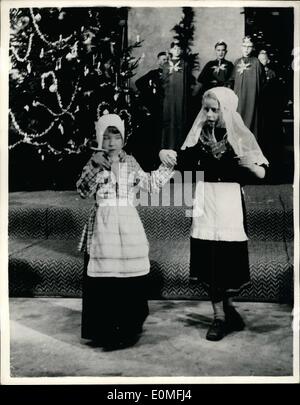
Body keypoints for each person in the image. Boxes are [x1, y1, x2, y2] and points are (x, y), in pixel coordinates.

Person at [160, 87, 268, 341]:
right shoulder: (198, 136)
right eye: (206, 109)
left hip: (229, 203)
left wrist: (250, 165)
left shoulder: (238, 136)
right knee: (209, 258)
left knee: (228, 259)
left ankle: (228, 309)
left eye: (214, 110)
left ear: (226, 111)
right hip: (206, 201)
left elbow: (262, 172)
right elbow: (181, 162)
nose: (208, 114)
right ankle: (219, 316)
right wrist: (164, 154)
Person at [77, 113, 172, 350]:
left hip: (127, 224)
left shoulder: (130, 162)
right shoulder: (94, 162)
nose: (111, 142)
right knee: (105, 280)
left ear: (123, 139)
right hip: (104, 225)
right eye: (106, 137)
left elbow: (149, 184)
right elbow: (82, 190)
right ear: (99, 138)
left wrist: (167, 165)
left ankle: (127, 329)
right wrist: (94, 167)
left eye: (116, 136)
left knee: (128, 278)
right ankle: (103, 330)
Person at [133, 52, 168, 170]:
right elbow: (138, 83)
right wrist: (148, 95)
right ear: (158, 61)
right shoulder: (153, 74)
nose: (165, 62)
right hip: (154, 109)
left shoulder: (171, 74)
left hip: (167, 109)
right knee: (153, 135)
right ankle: (151, 161)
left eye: (167, 60)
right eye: (162, 59)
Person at [160, 41, 194, 152]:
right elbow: (163, 83)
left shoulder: (185, 64)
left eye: (179, 49)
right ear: (170, 51)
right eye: (174, 49)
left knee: (180, 119)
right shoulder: (166, 65)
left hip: (181, 98)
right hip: (169, 98)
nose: (177, 51)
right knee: (168, 120)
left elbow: (189, 83)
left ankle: (180, 146)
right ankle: (167, 146)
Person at [230, 36, 264, 139]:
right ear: (241, 47)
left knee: (251, 123)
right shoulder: (237, 62)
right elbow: (232, 81)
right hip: (238, 100)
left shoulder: (256, 62)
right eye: (244, 46)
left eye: (249, 46)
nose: (246, 49)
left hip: (252, 100)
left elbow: (262, 82)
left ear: (253, 48)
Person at [258, 50, 284, 179]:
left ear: (267, 61)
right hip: (258, 107)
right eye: (259, 59)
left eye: (264, 59)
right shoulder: (255, 72)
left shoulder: (271, 73)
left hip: (268, 108)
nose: (261, 61)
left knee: (268, 135)